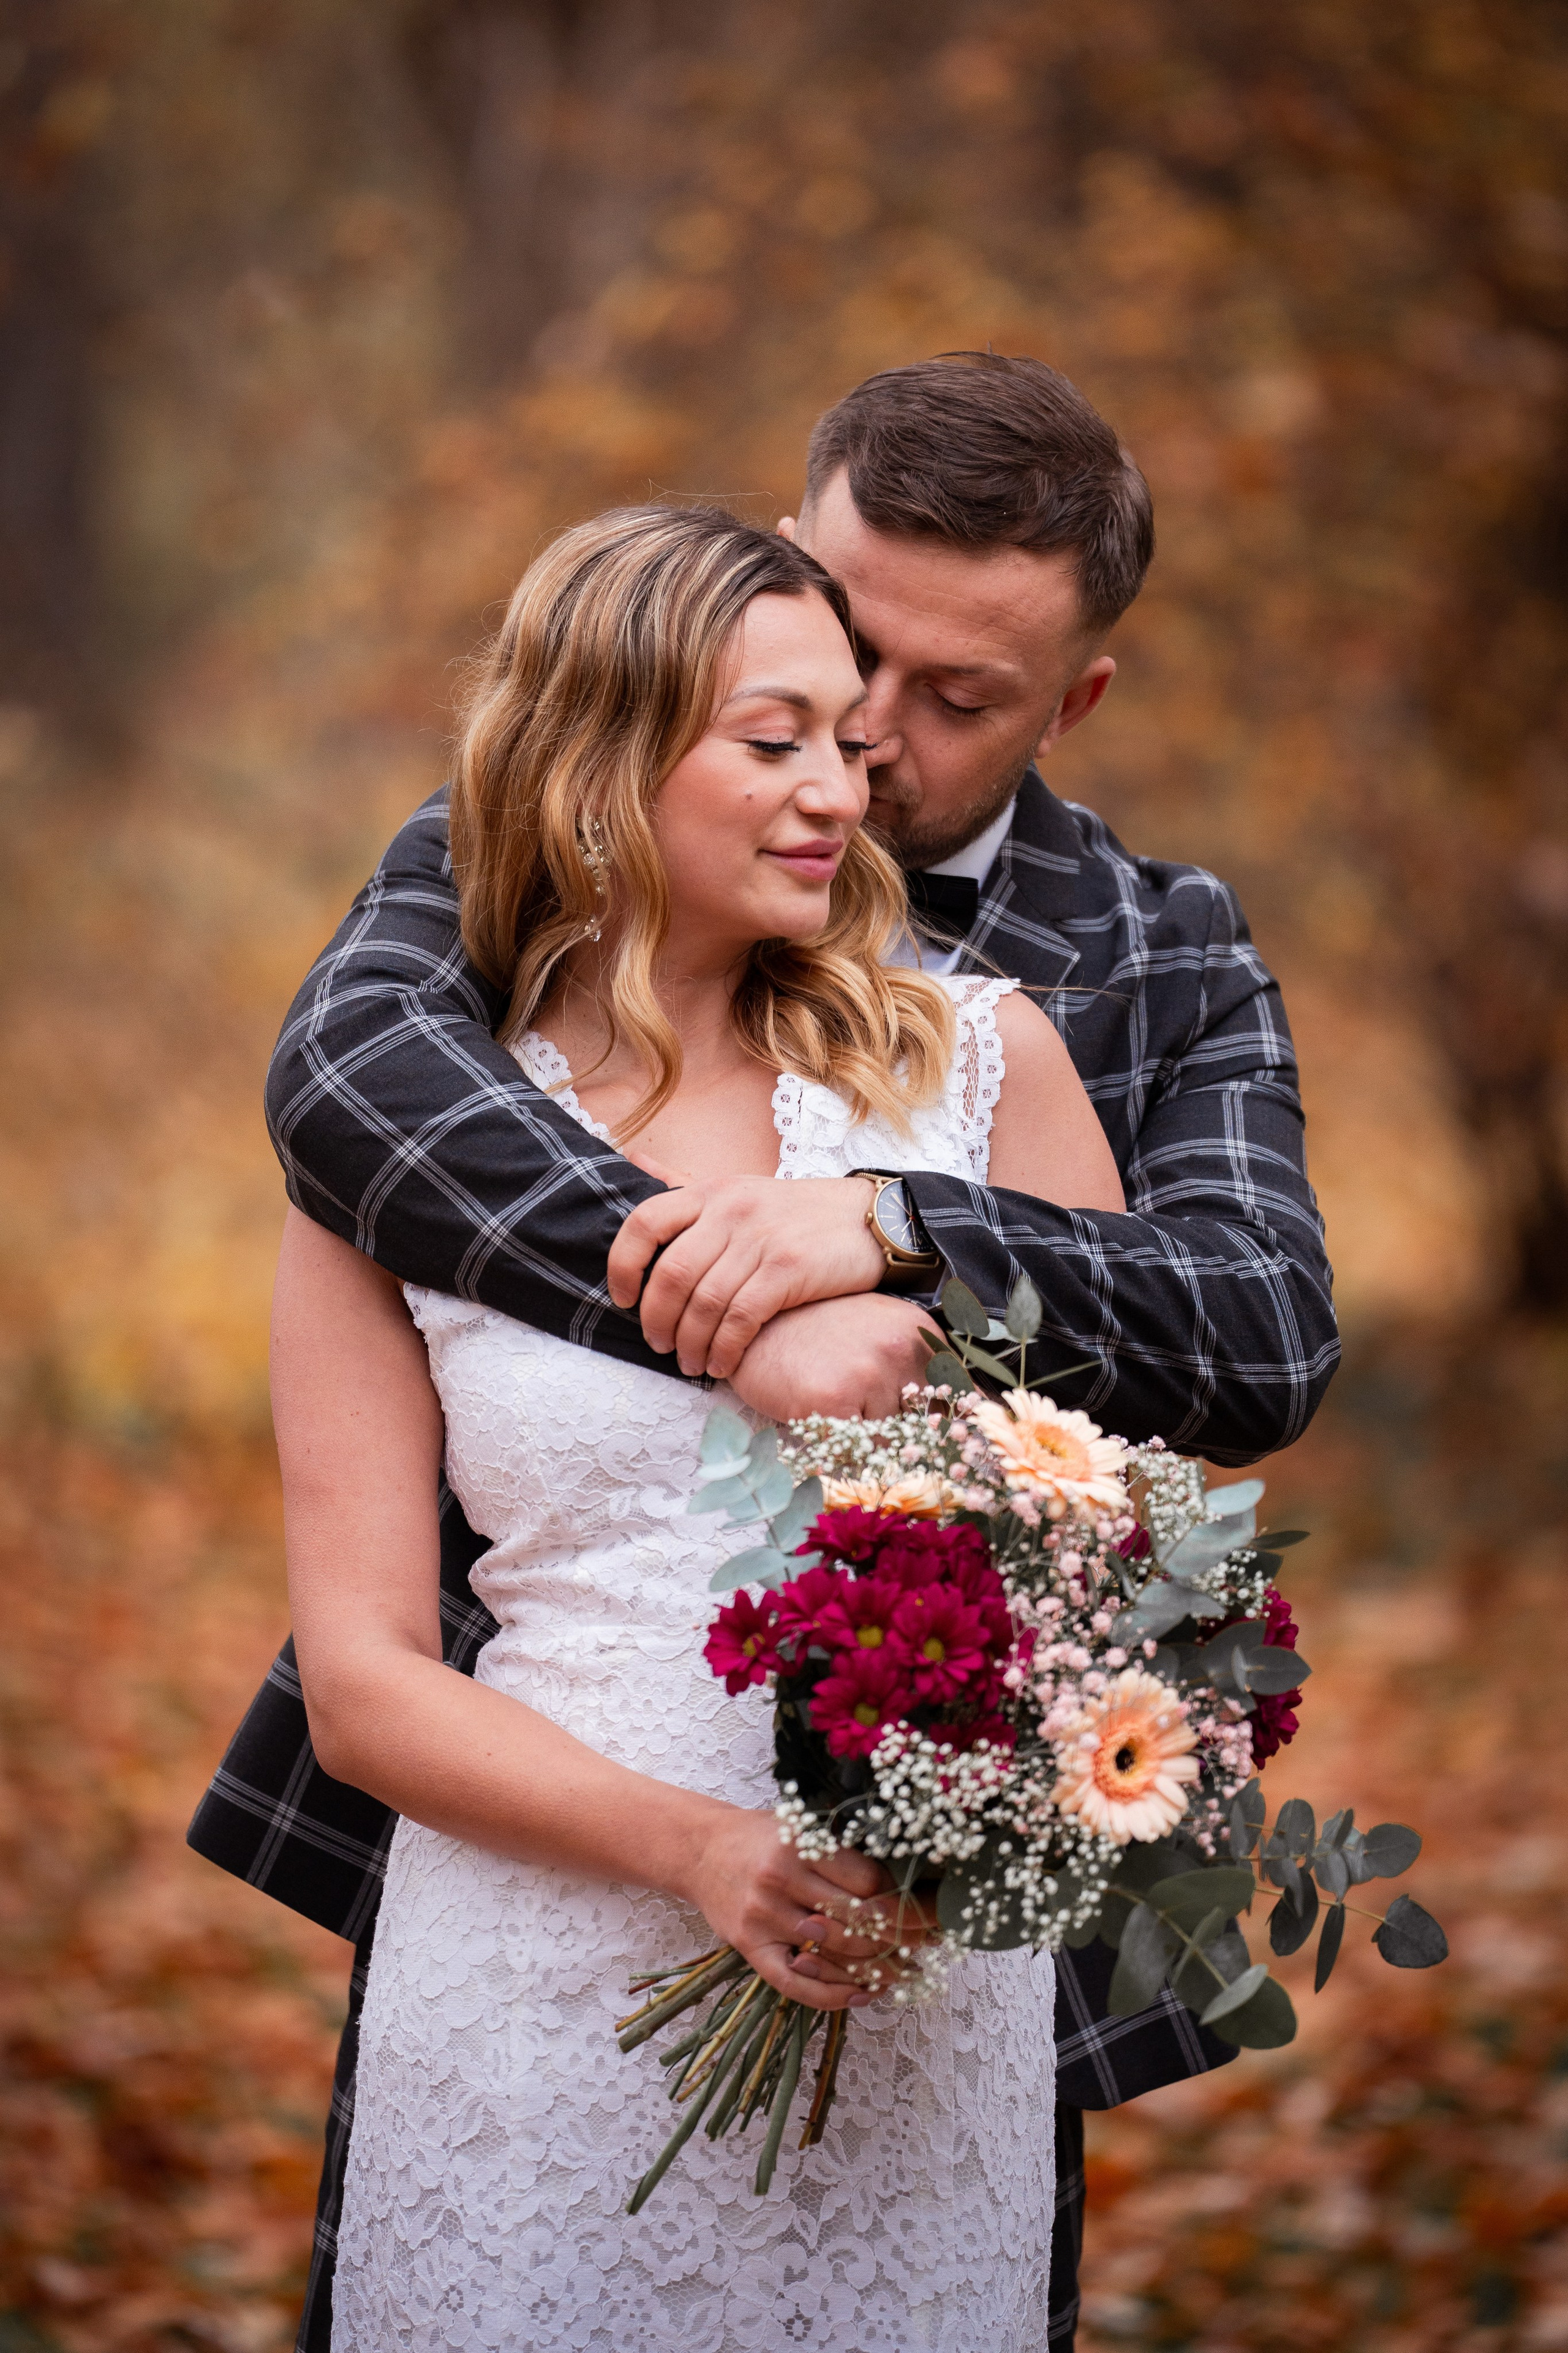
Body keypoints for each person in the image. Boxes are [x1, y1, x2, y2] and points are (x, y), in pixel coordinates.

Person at [190, 353, 1340, 2351]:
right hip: (532, 1937)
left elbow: (1239, 1360)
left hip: (934, 1952)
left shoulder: (1111, 976)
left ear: (1074, 701)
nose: (861, 755)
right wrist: (735, 1323)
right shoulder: (468, 917)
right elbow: (341, 1086)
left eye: (943, 698)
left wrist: (899, 1237)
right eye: (811, 678)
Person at [282, 501, 1125, 2348]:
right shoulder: (405, 1150)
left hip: (916, 1992)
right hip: (536, 1989)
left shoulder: (985, 1075)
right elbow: (361, 1683)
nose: (844, 783)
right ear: (596, 762)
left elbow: (1114, 1535)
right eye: (774, 741)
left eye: (849, 736)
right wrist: (700, 1851)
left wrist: (976, 1792)